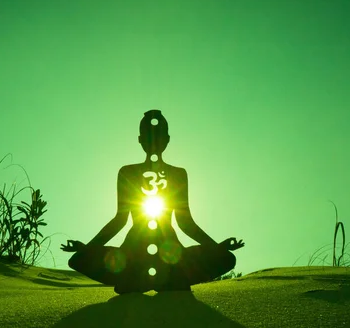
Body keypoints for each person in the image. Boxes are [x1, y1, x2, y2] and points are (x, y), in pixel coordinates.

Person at [61, 110, 244, 294]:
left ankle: (164, 279)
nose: (154, 142)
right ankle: (141, 279)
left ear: (167, 139)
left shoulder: (178, 174)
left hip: (171, 254)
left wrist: (217, 248)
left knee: (227, 258)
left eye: (158, 136)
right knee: (79, 259)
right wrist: (88, 248)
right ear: (140, 140)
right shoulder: (127, 172)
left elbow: (185, 223)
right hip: (133, 255)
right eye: (149, 137)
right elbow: (120, 220)